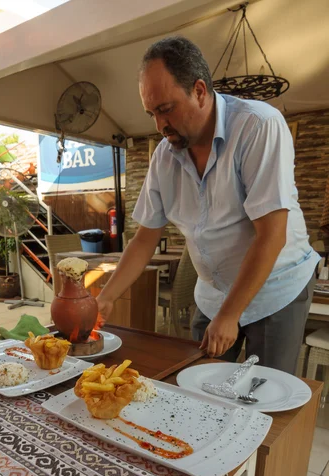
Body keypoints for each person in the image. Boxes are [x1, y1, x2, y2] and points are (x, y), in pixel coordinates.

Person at [97, 36, 319, 374]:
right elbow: (145, 238)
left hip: (277, 286)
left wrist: (230, 316)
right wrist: (106, 297)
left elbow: (271, 234)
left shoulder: (258, 126)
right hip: (214, 292)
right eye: (151, 114)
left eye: (166, 109)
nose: (159, 126)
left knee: (266, 399)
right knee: (197, 388)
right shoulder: (164, 156)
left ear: (199, 91)